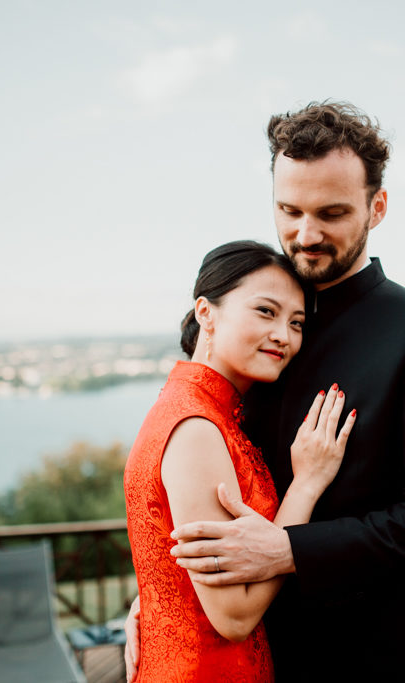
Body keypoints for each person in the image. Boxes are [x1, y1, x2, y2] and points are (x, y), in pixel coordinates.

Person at [128, 101, 405, 682]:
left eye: (332, 213)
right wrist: (161, 599)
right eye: (289, 210)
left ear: (378, 207)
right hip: (253, 655)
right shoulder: (257, 330)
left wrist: (289, 550)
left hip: (369, 660)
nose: (306, 233)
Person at [123, 240, 357, 681]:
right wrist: (306, 484)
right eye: (266, 312)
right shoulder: (196, 428)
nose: (283, 336)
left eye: (297, 323)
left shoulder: (196, 410)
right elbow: (232, 616)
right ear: (205, 313)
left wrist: (152, 600)